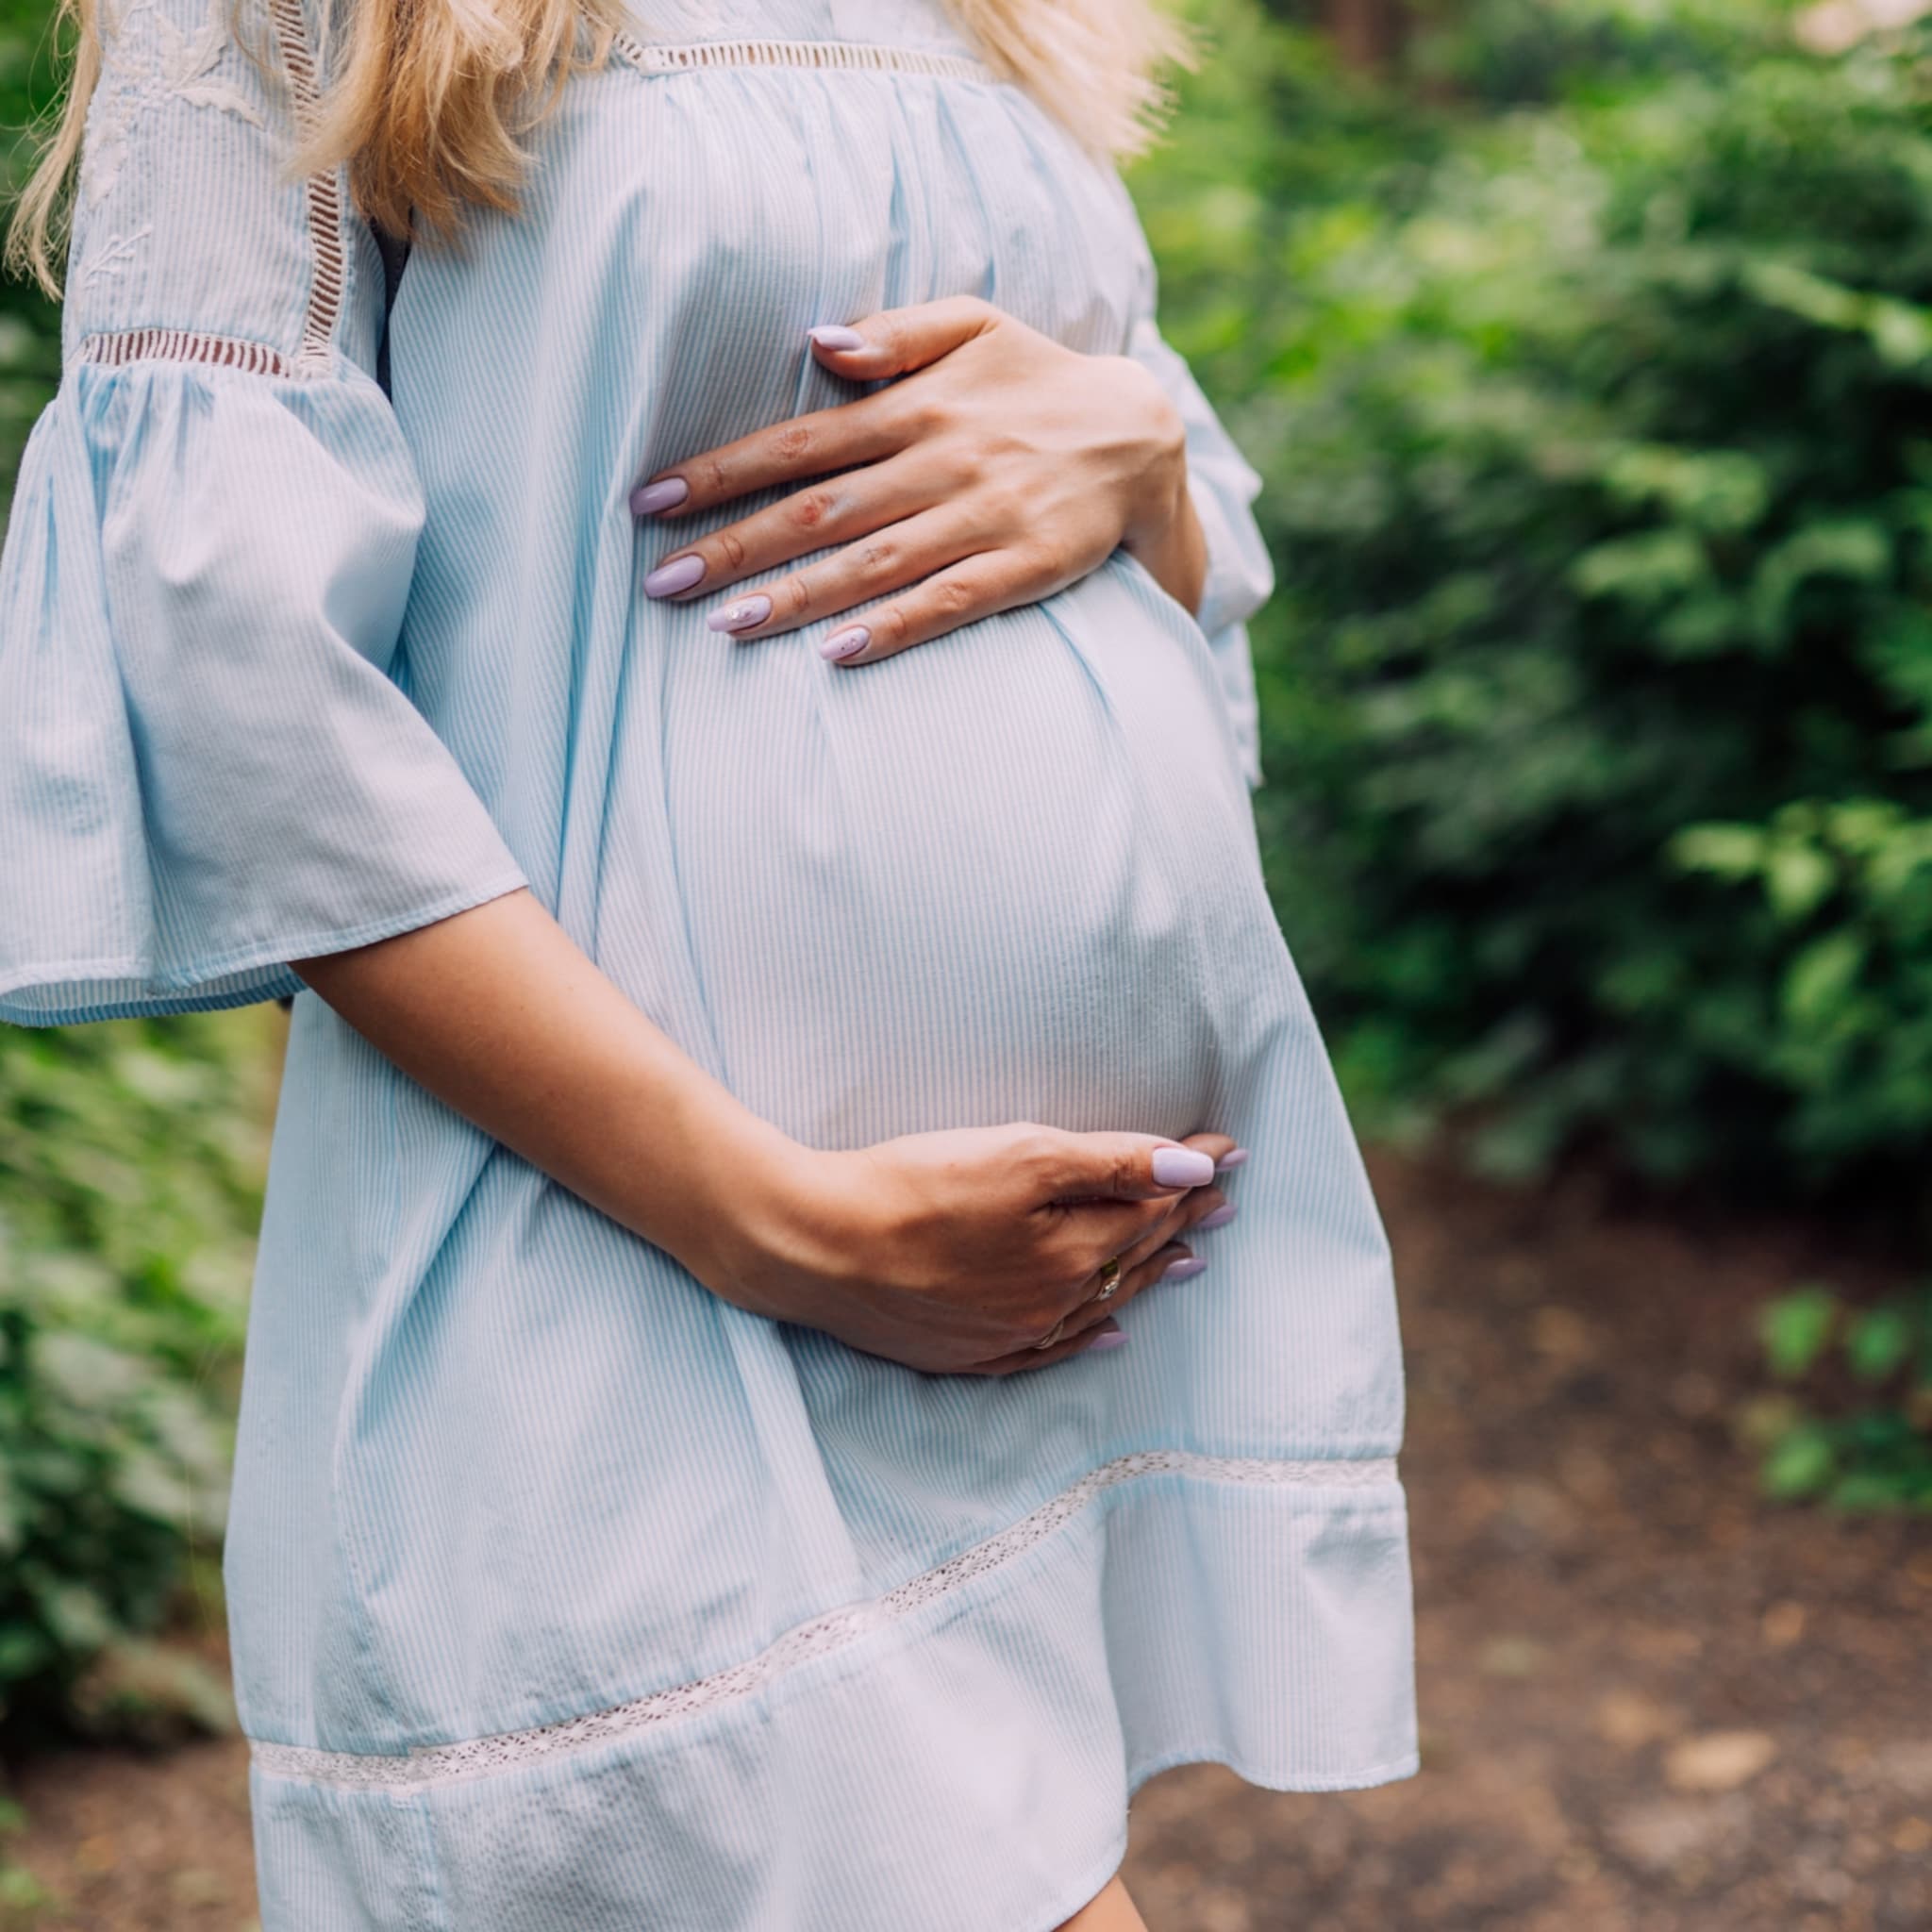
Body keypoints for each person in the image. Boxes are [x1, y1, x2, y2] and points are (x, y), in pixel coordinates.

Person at [0, 0, 1417, 1923]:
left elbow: (1176, 560)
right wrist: (773, 1219)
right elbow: (237, 677)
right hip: (631, 1263)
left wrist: (1138, 448)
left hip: (1009, 1327)